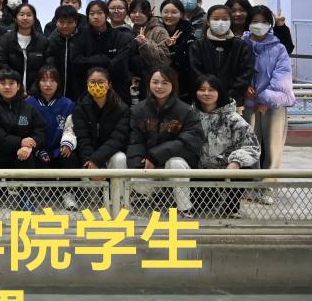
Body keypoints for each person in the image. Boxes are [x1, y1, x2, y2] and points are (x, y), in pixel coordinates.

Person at [127, 66, 205, 218]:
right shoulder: (138, 110)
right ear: (149, 83)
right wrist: (137, 168)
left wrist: (155, 155)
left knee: (176, 163)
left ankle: (185, 209)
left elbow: (192, 140)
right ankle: (155, 197)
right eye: (155, 82)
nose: (159, 86)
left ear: (173, 85)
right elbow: (134, 141)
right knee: (137, 180)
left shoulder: (186, 111)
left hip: (172, 165)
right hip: (147, 165)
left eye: (165, 82)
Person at [242, 5, 297, 205]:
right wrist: (243, 86)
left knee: (272, 149)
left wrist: (266, 100)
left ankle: (267, 189)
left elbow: (282, 76)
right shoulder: (241, 44)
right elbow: (237, 70)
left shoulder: (278, 48)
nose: (259, 25)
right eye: (255, 21)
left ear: (270, 24)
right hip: (247, 105)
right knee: (249, 146)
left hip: (274, 106)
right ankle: (250, 188)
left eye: (264, 22)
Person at [192, 74, 260, 218]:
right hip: (199, 171)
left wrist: (236, 161)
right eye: (202, 89)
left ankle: (231, 206)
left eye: (211, 90)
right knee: (205, 204)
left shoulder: (233, 118)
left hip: (225, 169)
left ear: (219, 92)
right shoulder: (190, 116)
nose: (206, 93)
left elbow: (252, 146)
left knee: (244, 171)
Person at [0, 68, 46, 210]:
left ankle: (26, 198)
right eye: (3, 83)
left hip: (23, 154)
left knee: (27, 157)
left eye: (11, 83)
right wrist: (20, 142)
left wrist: (28, 146)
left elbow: (40, 131)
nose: (7, 87)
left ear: (18, 86)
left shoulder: (29, 108)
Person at [72, 67, 130, 182]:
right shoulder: (80, 108)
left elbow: (118, 139)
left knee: (120, 158)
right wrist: (90, 163)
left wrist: (96, 160)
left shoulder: (121, 108)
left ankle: (119, 193)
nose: (96, 85)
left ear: (109, 84)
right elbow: (83, 139)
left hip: (111, 153)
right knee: (90, 185)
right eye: (92, 82)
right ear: (87, 84)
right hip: (88, 155)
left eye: (101, 82)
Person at [189, 4, 254, 107]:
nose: (220, 22)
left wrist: (229, 97)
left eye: (225, 19)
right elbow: (196, 73)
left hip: (233, 103)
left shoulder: (240, 45)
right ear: (208, 21)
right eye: (216, 19)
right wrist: (210, 94)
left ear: (230, 21)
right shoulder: (197, 46)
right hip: (205, 101)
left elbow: (245, 73)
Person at [78, 0, 134, 101]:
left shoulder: (121, 37)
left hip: (117, 89)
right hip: (86, 89)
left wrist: (91, 61)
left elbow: (120, 64)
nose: (96, 17)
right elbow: (77, 62)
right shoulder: (80, 37)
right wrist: (104, 60)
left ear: (107, 15)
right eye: (92, 13)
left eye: (100, 13)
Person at [26, 66, 78, 170]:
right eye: (44, 80)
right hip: (36, 150)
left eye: (53, 80)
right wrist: (37, 150)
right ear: (38, 83)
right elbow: (25, 131)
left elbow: (70, 128)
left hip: (60, 150)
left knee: (70, 158)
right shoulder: (28, 103)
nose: (48, 84)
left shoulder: (67, 104)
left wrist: (67, 144)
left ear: (58, 83)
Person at [0, 3, 48, 91]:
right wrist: (17, 87)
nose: (25, 18)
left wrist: (34, 90)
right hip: (10, 90)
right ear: (15, 18)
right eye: (21, 15)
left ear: (34, 19)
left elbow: (47, 68)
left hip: (37, 92)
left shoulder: (43, 42)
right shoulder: (4, 40)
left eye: (29, 15)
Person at [128, 0, 170, 102]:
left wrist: (145, 43)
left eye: (141, 12)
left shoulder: (159, 30)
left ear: (149, 12)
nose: (137, 15)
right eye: (133, 12)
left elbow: (164, 60)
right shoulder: (130, 30)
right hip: (135, 83)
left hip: (154, 83)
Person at [45, 4, 87, 101]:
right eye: (61, 22)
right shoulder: (49, 42)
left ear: (76, 22)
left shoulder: (83, 40)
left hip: (80, 92)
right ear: (56, 22)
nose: (65, 26)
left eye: (69, 22)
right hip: (55, 93)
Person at [226, 0, 295, 54]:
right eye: (233, 11)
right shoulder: (223, 34)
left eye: (242, 10)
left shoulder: (258, 31)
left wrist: (280, 27)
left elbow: (287, 50)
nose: (238, 14)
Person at [159, 0, 197, 102]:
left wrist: (173, 47)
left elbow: (187, 62)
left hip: (183, 84)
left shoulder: (189, 33)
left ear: (181, 14)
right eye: (165, 12)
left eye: (174, 12)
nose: (169, 15)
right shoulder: (158, 31)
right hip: (160, 80)